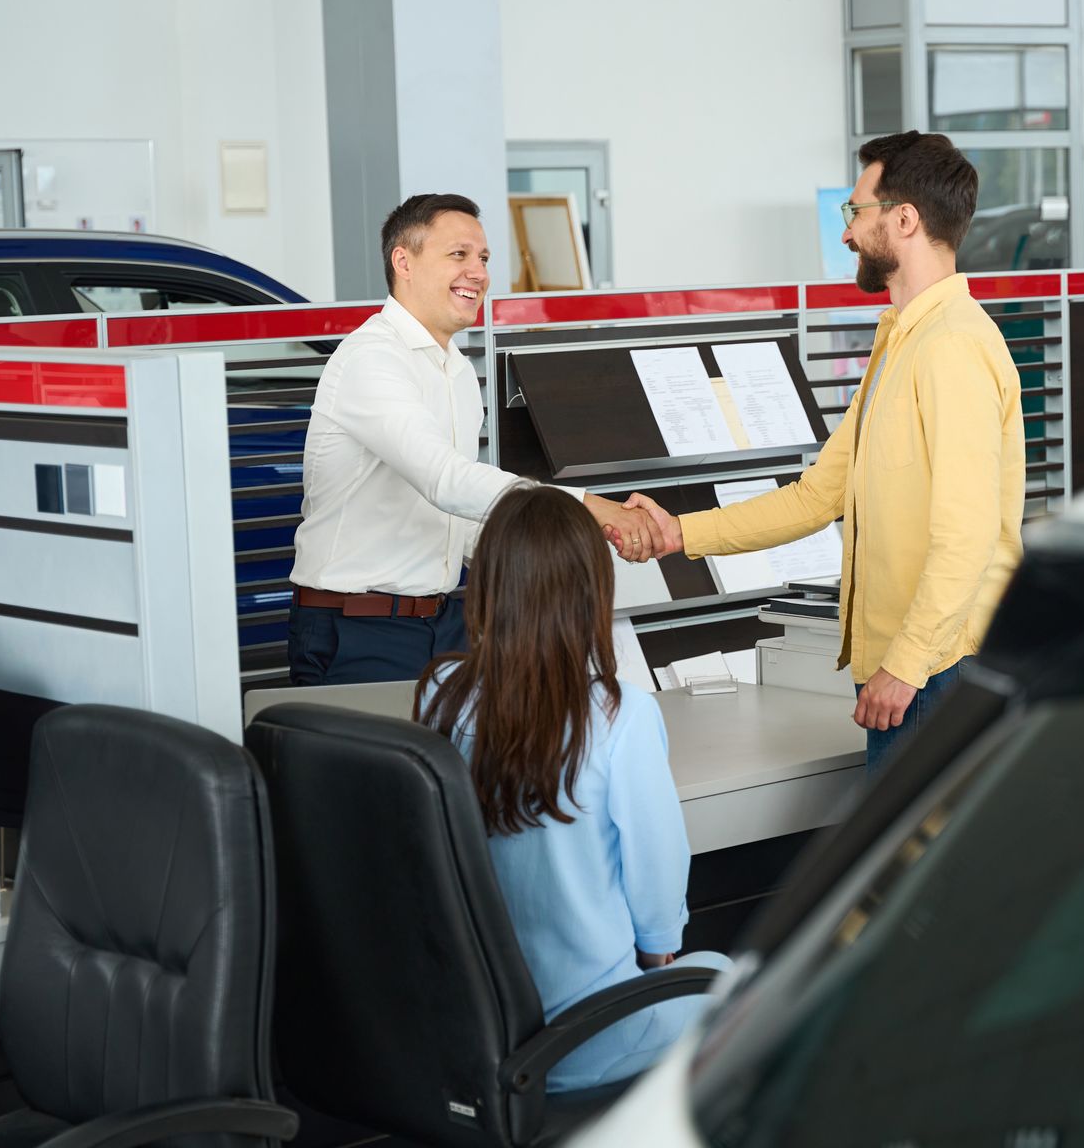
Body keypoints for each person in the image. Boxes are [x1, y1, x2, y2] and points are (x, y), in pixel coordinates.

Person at [631, 132, 1025, 775]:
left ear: (904, 219)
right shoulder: (900, 341)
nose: (846, 235)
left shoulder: (951, 346)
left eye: (854, 213)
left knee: (911, 871)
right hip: (914, 669)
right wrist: (679, 534)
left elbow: (968, 535)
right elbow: (817, 495)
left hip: (935, 669)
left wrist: (904, 665)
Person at [416, 484, 730, 1092]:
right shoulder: (621, 714)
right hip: (584, 1039)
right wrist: (657, 954)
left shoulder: (442, 692)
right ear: (591, 593)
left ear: (487, 586)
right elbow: (659, 912)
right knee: (726, 975)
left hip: (474, 1034)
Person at [288, 192, 658, 686]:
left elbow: (456, 523)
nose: (478, 273)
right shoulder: (371, 359)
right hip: (358, 628)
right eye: (458, 255)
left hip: (443, 623)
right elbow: (446, 481)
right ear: (405, 262)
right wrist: (589, 507)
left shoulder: (457, 371)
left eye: (482, 258)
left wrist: (575, 542)